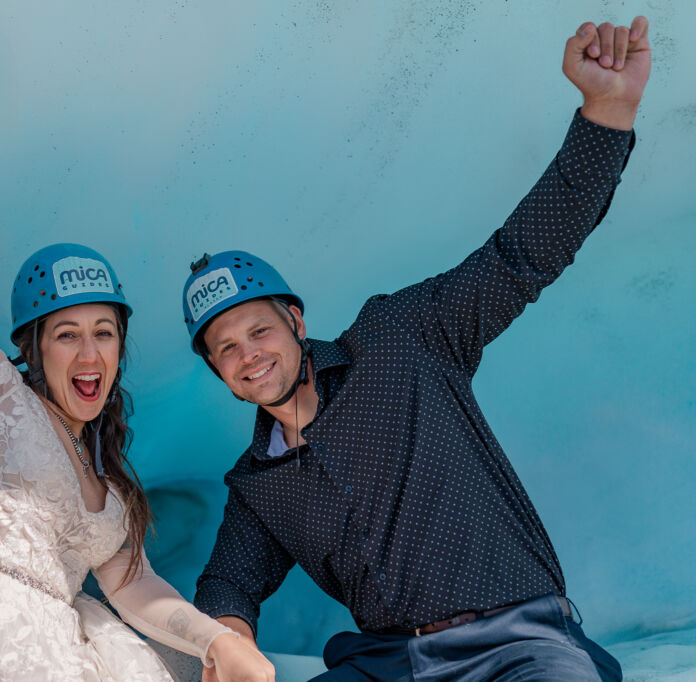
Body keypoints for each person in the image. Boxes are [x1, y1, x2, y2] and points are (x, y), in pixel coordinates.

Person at [180, 16, 651, 682]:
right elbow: (229, 580)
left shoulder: (400, 341)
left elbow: (520, 257)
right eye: (225, 349)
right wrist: (226, 637)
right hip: (391, 664)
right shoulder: (258, 486)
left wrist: (607, 112)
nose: (248, 355)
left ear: (294, 318)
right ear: (215, 371)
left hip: (521, 640)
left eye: (258, 330)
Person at [0, 23, 275, 682]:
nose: (89, 351)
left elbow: (137, 589)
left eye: (104, 332)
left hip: (54, 653)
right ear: (33, 350)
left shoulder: (112, 482)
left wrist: (216, 643)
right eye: (67, 334)